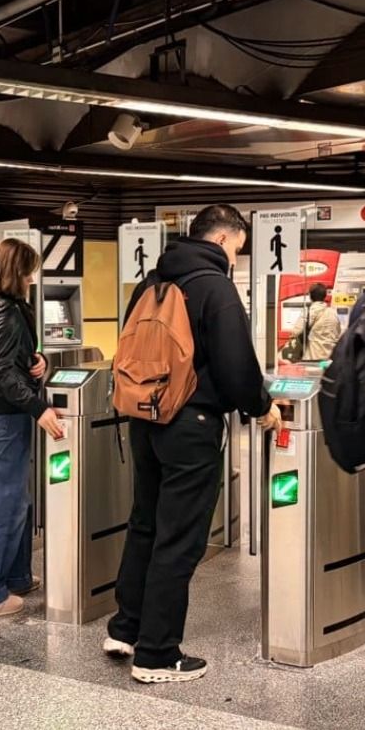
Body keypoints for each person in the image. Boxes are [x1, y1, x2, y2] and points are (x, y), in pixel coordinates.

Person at [106, 204, 283, 684]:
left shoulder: (152, 284)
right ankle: (158, 654)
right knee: (179, 538)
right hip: (192, 423)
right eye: (238, 250)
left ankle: (126, 628)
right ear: (224, 240)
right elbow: (236, 365)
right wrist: (259, 405)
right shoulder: (214, 287)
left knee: (144, 522)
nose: (236, 259)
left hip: (144, 418)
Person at [0, 238, 62, 619]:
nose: (32, 277)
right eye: (28, 270)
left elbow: (4, 358)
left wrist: (36, 360)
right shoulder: (5, 310)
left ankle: (18, 576)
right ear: (16, 272)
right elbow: (1, 370)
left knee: (16, 498)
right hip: (6, 416)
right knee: (6, 503)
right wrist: (39, 408)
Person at [285, 283, 342, 361]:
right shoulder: (333, 313)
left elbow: (296, 332)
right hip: (329, 357)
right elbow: (338, 333)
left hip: (312, 357)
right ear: (324, 296)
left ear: (310, 296)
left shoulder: (309, 312)